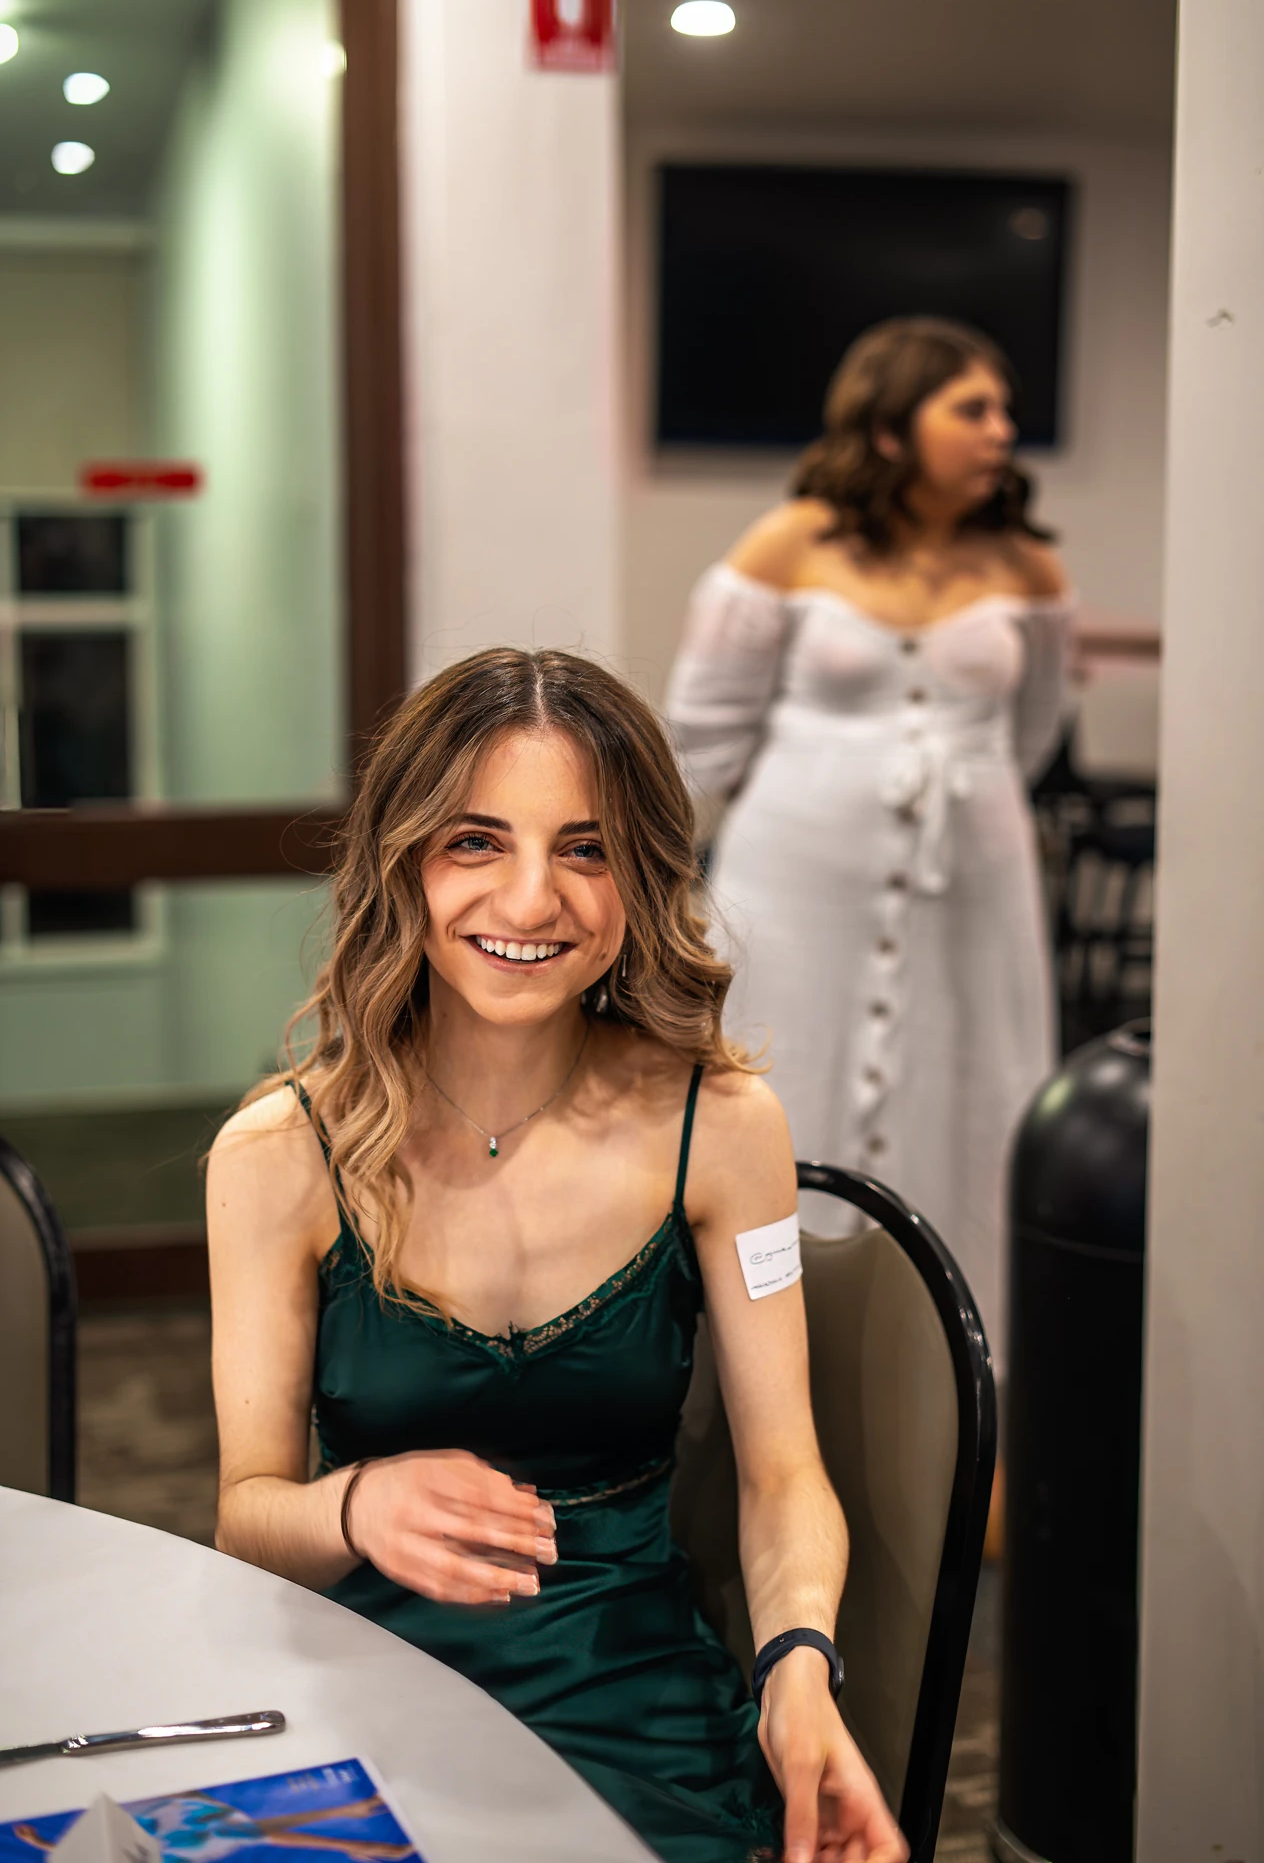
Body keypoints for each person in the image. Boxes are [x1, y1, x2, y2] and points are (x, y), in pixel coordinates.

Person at [207, 649, 907, 1863]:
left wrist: (800, 1673)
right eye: (476, 842)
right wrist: (356, 1501)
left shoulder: (722, 1130)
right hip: (362, 1699)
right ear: (402, 861)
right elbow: (246, 1516)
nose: (530, 901)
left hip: (634, 1704)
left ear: (639, 877)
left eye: (584, 850)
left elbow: (784, 1474)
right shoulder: (280, 1152)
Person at [663, 317, 1071, 1390]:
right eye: (970, 409)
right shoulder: (788, 545)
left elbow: (1030, 734)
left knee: (969, 1103)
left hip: (973, 899)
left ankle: (950, 1405)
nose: (1001, 432)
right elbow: (699, 736)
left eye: (1004, 410)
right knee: (782, 1092)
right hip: (794, 894)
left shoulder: (1025, 566)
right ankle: (757, 1393)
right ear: (891, 428)